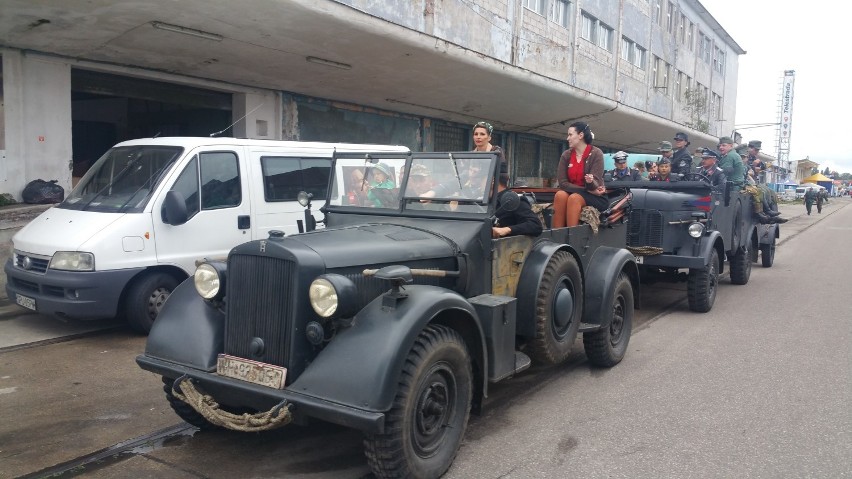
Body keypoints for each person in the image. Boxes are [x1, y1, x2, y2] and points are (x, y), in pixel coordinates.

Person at [552, 121, 608, 228]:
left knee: (574, 198)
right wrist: (585, 189)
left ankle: (572, 238)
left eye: (570, 135)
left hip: (595, 197)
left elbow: (595, 186)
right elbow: (563, 184)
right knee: (560, 195)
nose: (567, 138)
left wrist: (590, 182)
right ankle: (557, 235)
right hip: (584, 191)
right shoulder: (566, 155)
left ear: (581, 135)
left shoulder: (596, 153)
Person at [492, 162, 542, 238]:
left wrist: (507, 229)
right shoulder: (479, 201)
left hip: (506, 247)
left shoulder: (513, 200)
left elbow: (535, 225)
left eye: (480, 179)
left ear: (492, 181)